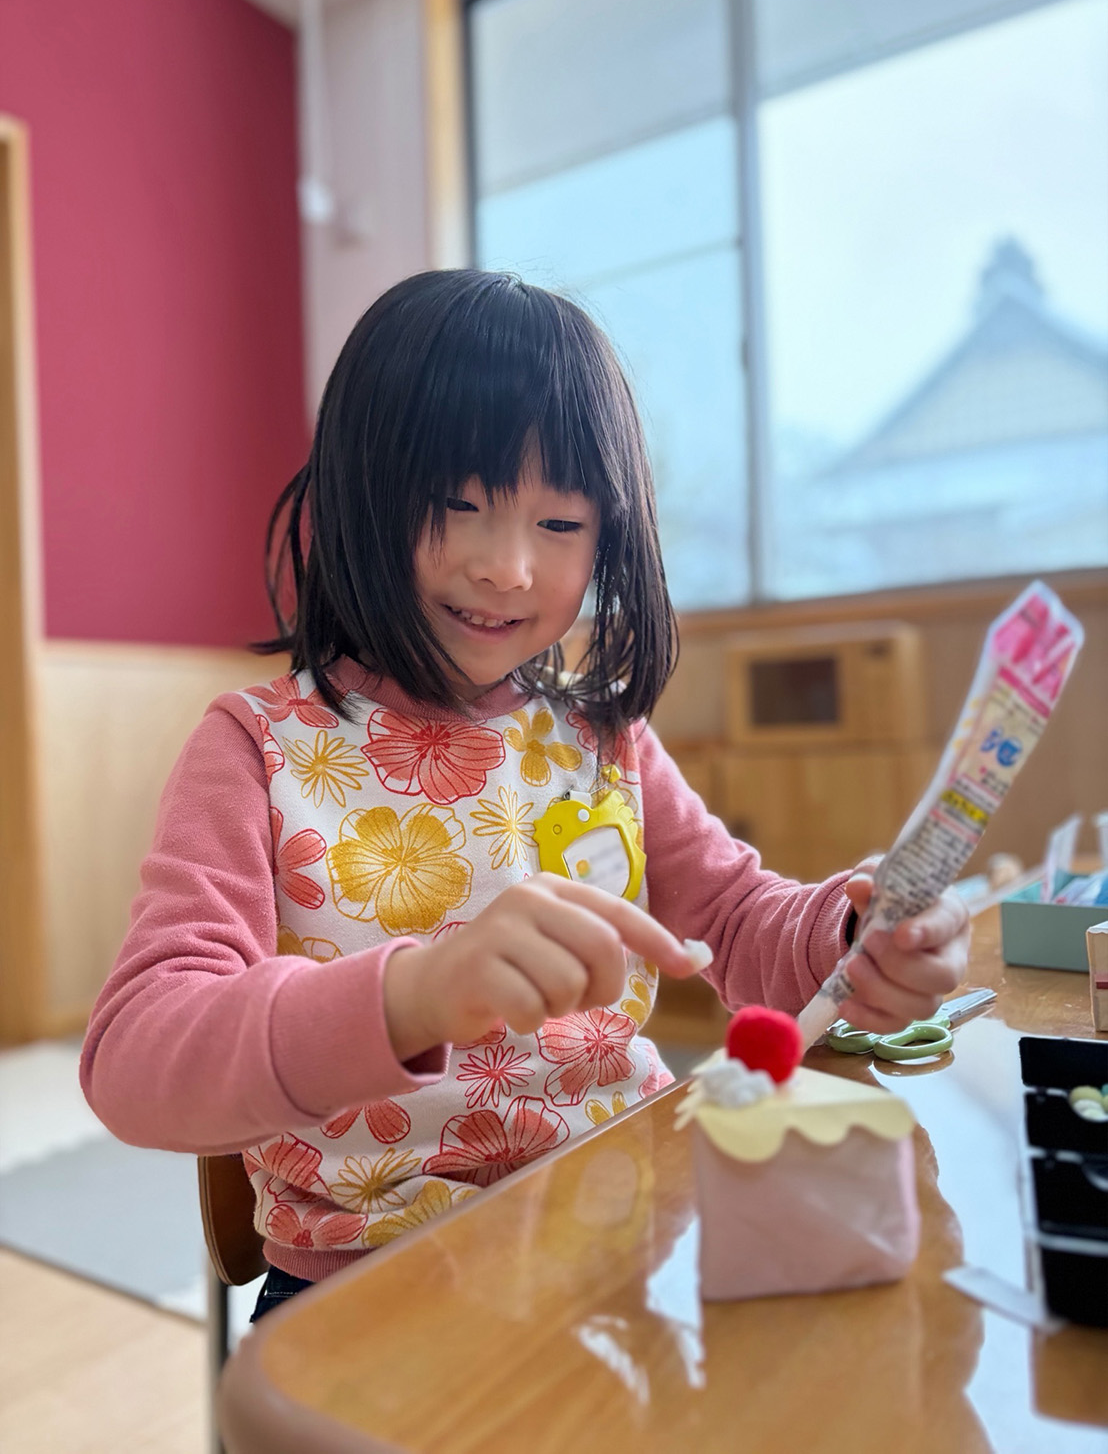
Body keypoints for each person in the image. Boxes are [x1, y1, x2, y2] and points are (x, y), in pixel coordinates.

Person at [80, 270, 970, 1321]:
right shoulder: (261, 748)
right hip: (373, 1287)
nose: (507, 567)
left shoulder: (601, 738)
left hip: (630, 1244)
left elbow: (734, 921)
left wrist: (852, 934)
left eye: (558, 522)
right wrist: (410, 997)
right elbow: (134, 1056)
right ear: (361, 493)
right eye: (458, 504)